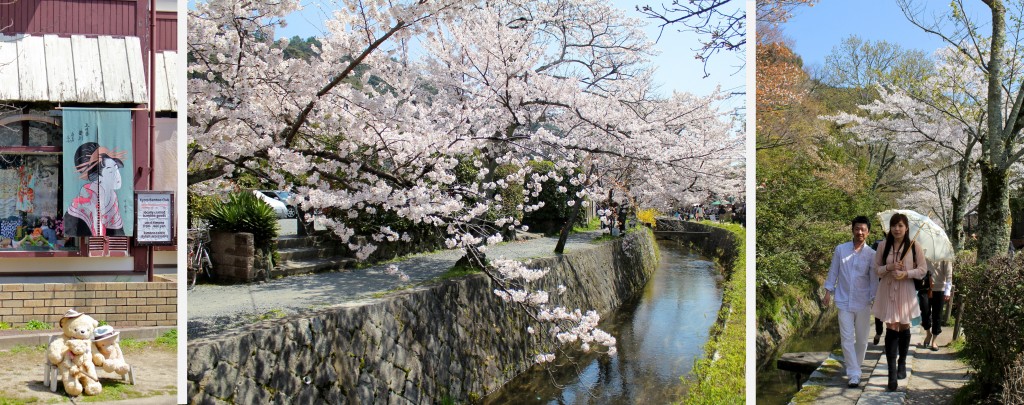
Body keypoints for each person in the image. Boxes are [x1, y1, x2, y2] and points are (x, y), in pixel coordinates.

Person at [872, 213, 927, 391]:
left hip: (906, 291)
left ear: (906, 228)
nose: (897, 229)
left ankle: (902, 362)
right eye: (894, 225)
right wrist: (889, 267)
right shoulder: (883, 245)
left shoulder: (914, 246)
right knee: (891, 326)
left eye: (900, 225)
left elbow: (923, 270)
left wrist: (906, 273)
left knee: (904, 326)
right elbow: (876, 270)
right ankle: (891, 373)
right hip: (887, 290)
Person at [824, 216, 878, 388]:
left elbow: (873, 280)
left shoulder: (872, 254)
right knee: (847, 339)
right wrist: (827, 292)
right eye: (857, 228)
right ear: (852, 230)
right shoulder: (840, 250)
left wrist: (874, 299)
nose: (860, 232)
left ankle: (856, 368)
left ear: (868, 232)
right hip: (843, 301)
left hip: (863, 302)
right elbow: (833, 271)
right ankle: (854, 373)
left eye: (863, 229)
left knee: (862, 340)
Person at [63, 142, 127, 236]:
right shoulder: (85, 199)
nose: (117, 175)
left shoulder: (112, 197)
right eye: (110, 170)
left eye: (116, 168)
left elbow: (118, 235)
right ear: (96, 175)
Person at [919, 259, 953, 351]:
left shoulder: (944, 255)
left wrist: (947, 290)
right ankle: (928, 333)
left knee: (937, 315)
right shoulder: (922, 251)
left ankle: (934, 340)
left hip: (939, 288)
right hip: (924, 287)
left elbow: (949, 274)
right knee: (924, 312)